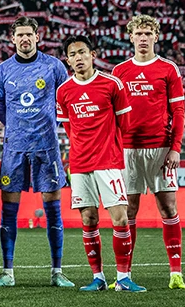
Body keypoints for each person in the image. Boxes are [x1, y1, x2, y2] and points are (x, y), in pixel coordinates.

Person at [0, 16, 73, 288]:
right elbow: (0, 108)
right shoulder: (3, 71)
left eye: (29, 34)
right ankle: (7, 272)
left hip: (47, 147)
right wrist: (18, 127)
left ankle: (57, 271)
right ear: (12, 39)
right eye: (20, 35)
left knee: (53, 209)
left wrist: (48, 125)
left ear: (38, 37)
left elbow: (66, 100)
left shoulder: (54, 67)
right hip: (14, 147)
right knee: (8, 210)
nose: (25, 39)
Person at [56, 35, 143, 292]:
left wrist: (110, 148)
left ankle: (124, 278)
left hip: (108, 162)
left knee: (120, 219)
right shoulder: (64, 91)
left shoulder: (111, 84)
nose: (78, 58)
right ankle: (98, 278)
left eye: (82, 52)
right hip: (80, 164)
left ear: (92, 54)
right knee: (89, 218)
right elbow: (70, 129)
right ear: (68, 60)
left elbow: (124, 125)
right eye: (72, 55)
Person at [111, 15, 185, 290]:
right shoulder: (119, 71)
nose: (143, 38)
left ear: (156, 36)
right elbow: (113, 114)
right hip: (128, 150)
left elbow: (178, 111)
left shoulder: (168, 69)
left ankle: (175, 273)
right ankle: (125, 274)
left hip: (161, 148)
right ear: (130, 37)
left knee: (168, 206)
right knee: (128, 210)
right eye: (138, 34)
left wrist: (175, 148)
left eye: (148, 33)